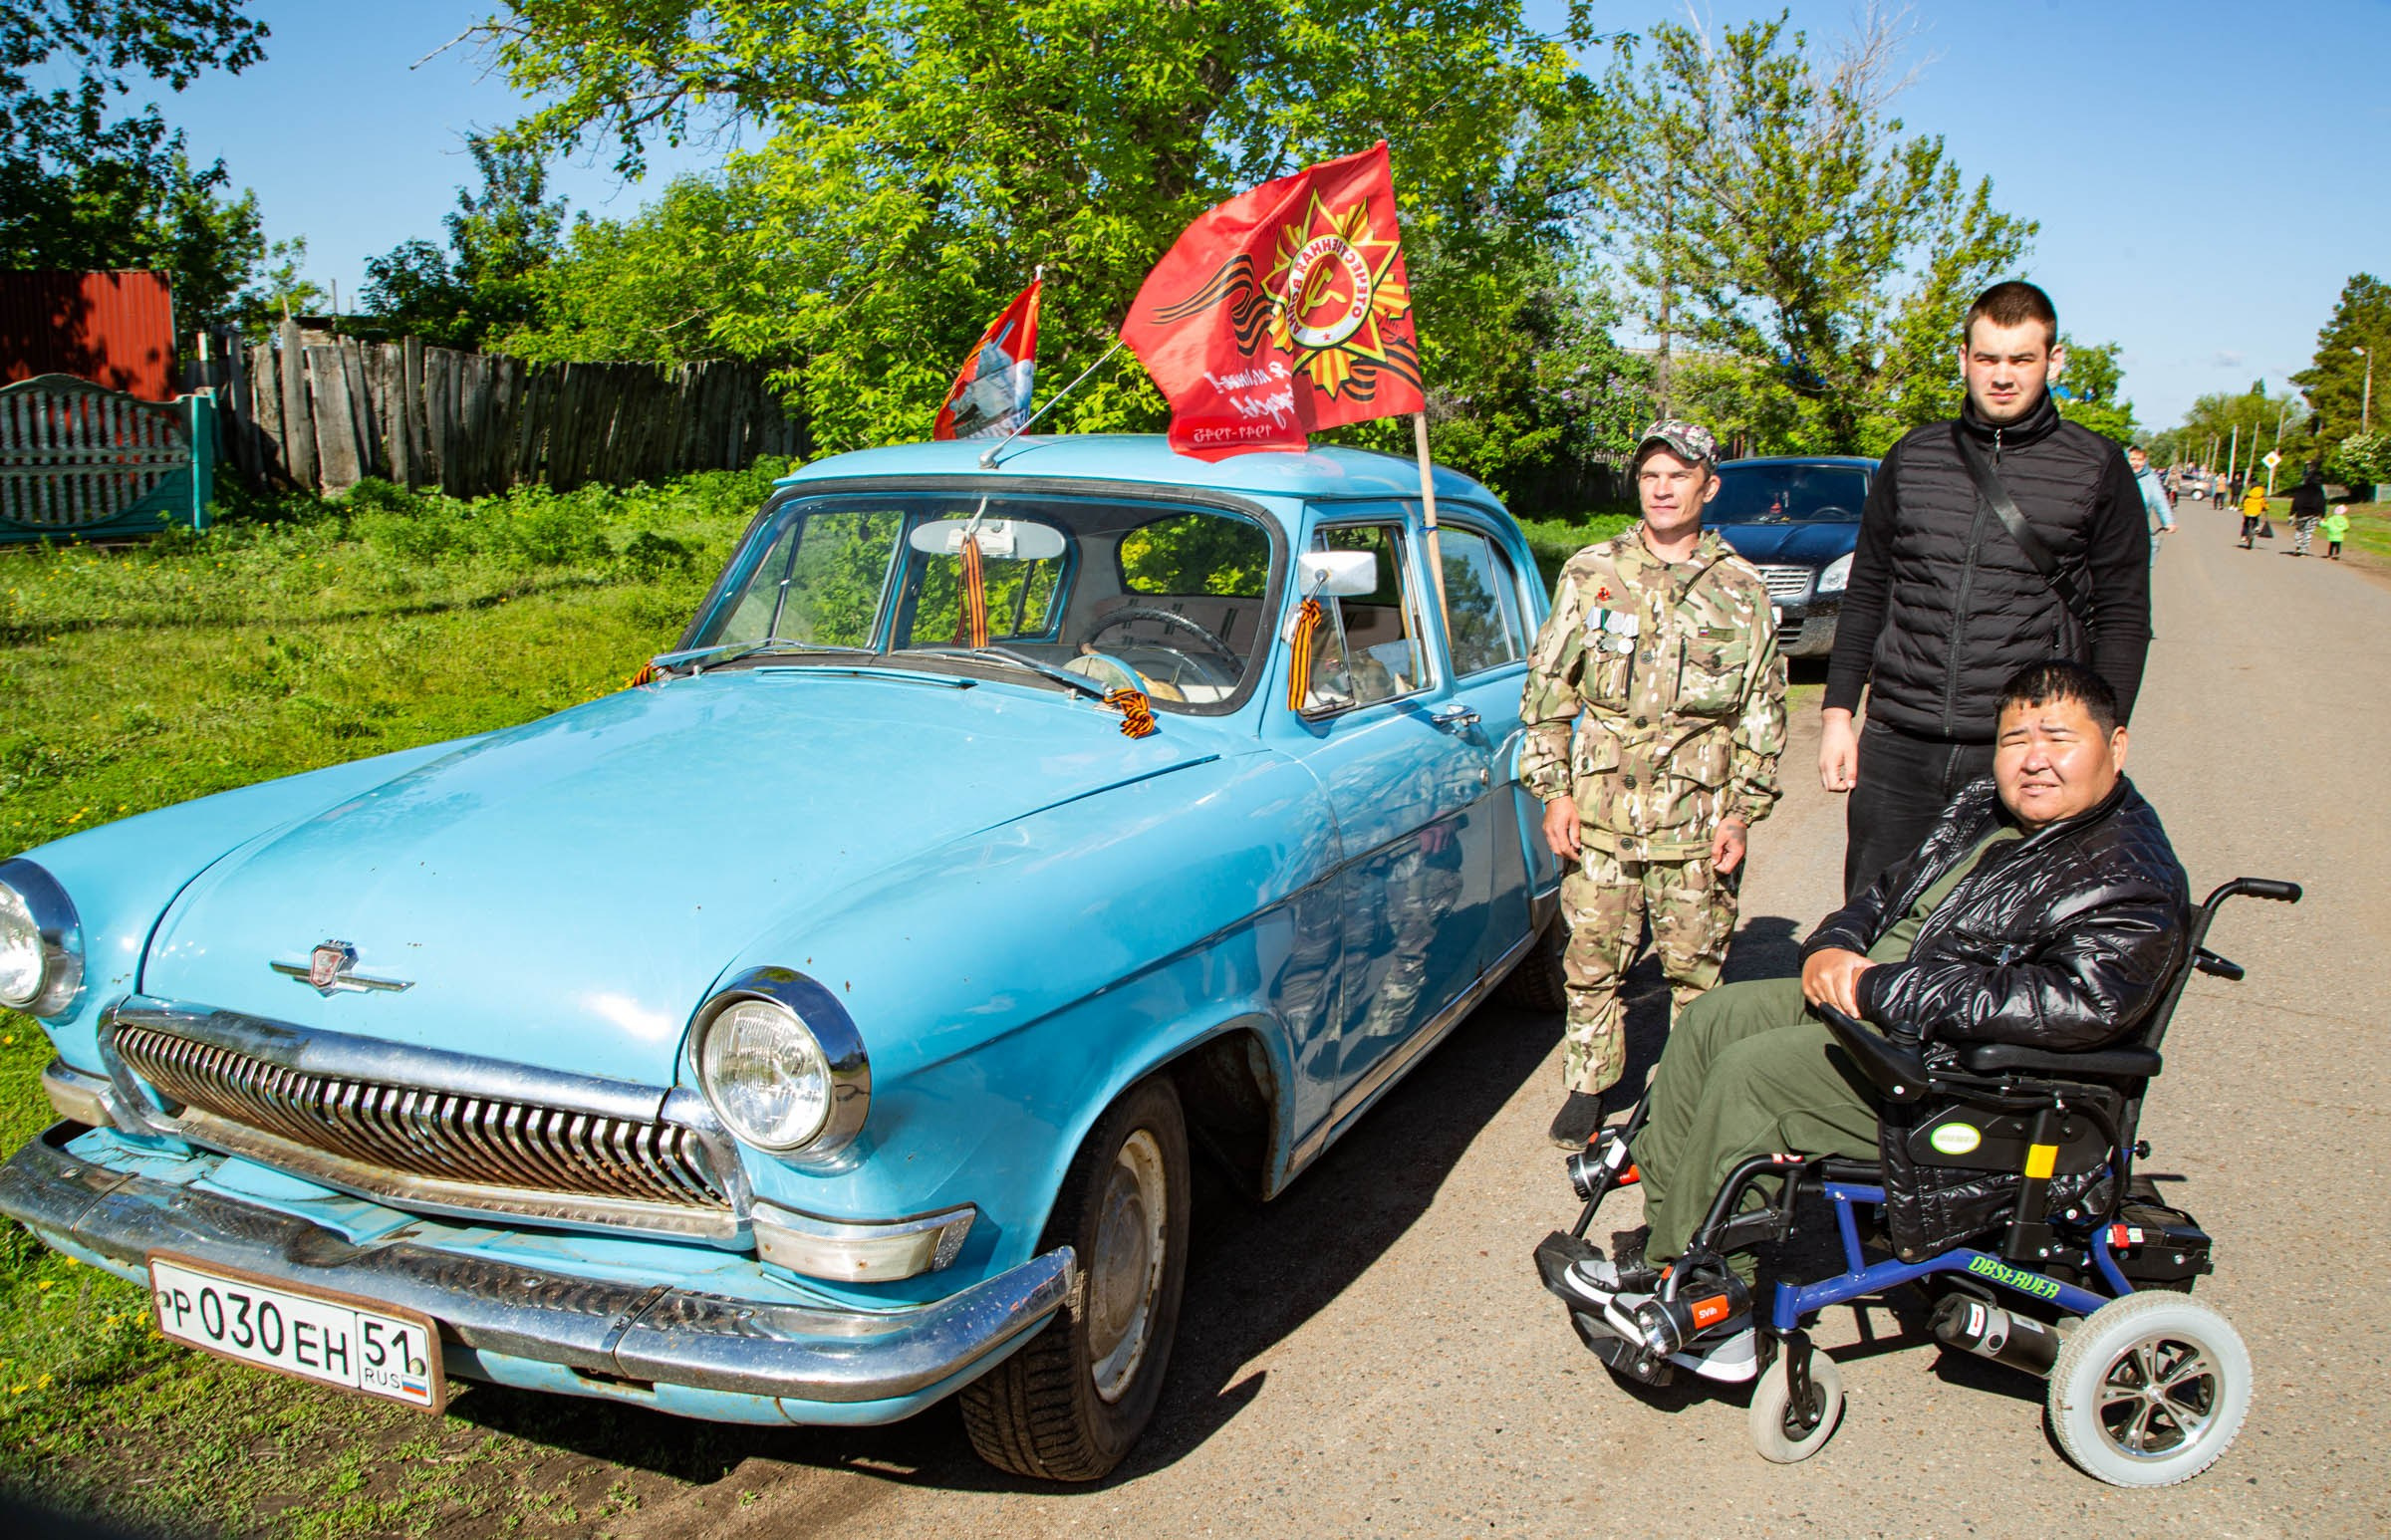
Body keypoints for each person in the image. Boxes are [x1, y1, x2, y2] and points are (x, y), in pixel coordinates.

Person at [1557, 661, 2189, 1333]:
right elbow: (1888, 892)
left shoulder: (2129, 876)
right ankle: (1668, 1231)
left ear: (2115, 746)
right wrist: (1833, 943)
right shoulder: (1988, 808)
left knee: (1755, 1076)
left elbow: (2067, 1005)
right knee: (1716, 1016)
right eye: (2014, 741)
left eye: (2059, 739)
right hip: (1894, 1020)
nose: (2034, 760)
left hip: (1975, 1081)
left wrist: (1880, 987)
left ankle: (1710, 1300)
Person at [1818, 281, 2153, 900]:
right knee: (1870, 921)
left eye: (2022, 359)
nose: (2003, 376)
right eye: (1988, 358)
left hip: (2022, 747)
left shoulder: (2096, 466)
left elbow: (2124, 617)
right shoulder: (1914, 457)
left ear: (2053, 361)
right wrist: (1840, 714)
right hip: (1897, 741)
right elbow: (1868, 591)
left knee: (1997, 933)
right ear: (1965, 358)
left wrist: (2101, 739)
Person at [1520, 418, 1788, 1149]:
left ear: (1710, 484)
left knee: (1695, 966)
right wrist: (1555, 791)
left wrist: (1742, 815)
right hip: (1602, 809)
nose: (1663, 487)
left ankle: (1682, 1093)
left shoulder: (1743, 589)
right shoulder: (1591, 572)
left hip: (1696, 816)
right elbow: (1549, 692)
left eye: (1679, 474)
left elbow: (1762, 712)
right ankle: (1590, 1083)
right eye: (1650, 475)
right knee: (1591, 957)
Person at [2128, 445, 2176, 556]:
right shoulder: (2118, 475)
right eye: (2133, 459)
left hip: (2139, 528)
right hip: (2115, 529)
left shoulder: (2151, 479)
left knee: (2143, 560)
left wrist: (2168, 522)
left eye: (2139, 460)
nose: (2136, 463)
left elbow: (2160, 500)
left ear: (2145, 461)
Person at [2287, 464, 2326, 556]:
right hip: (2314, 514)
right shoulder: (2319, 491)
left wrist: (2292, 513)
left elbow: (2296, 501)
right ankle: (2304, 550)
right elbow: (2322, 504)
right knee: (2308, 532)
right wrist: (2323, 516)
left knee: (2300, 530)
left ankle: (2298, 547)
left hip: (2301, 514)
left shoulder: (2302, 489)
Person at [2239, 479, 2269, 549]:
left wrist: (2243, 506)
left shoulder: (2248, 495)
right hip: (2257, 511)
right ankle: (2256, 527)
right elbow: (2264, 503)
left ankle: (2244, 536)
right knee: (2256, 518)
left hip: (2248, 511)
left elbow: (2243, 502)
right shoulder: (2261, 495)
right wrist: (2266, 508)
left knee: (2246, 523)